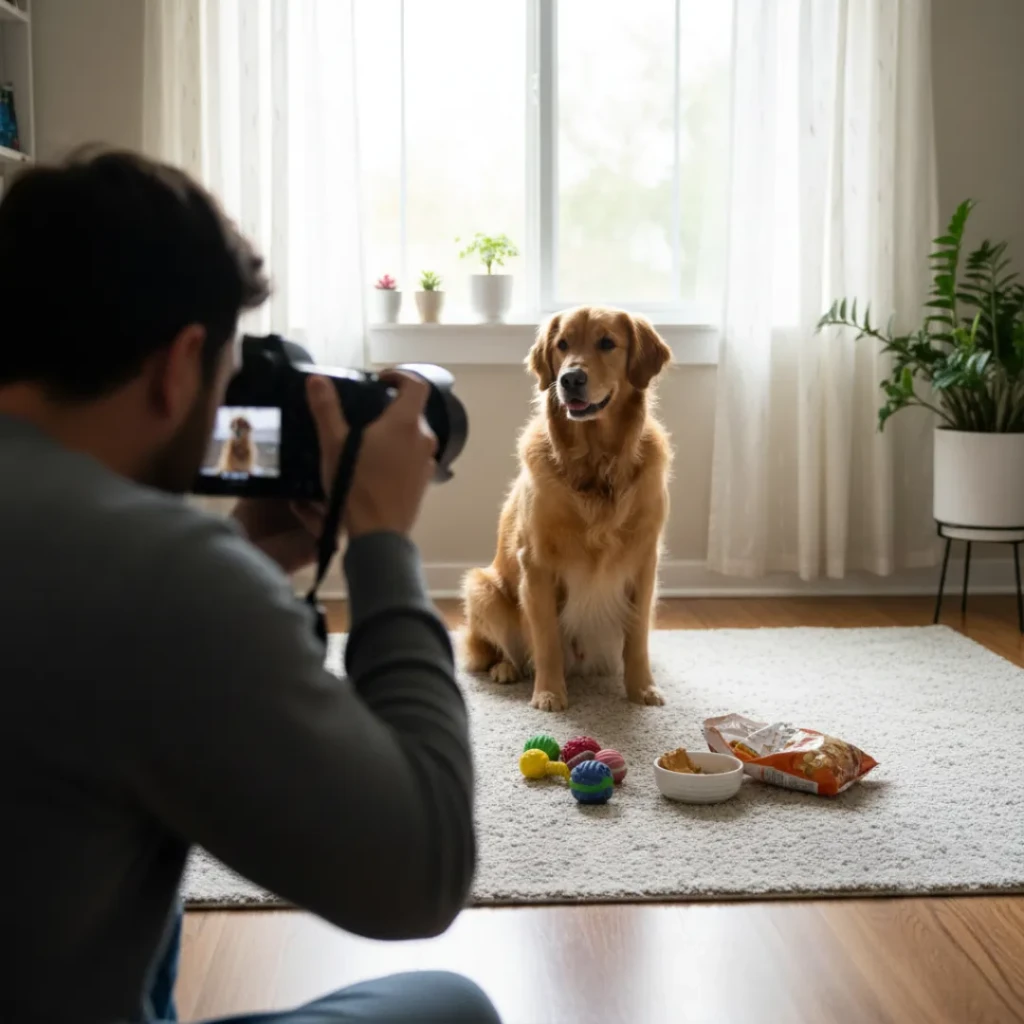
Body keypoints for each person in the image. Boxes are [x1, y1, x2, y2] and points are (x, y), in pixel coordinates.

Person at [0, 148, 499, 1024]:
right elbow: (422, 874)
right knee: (450, 1006)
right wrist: (381, 540)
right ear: (179, 364)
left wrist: (251, 561)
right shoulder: (159, 577)